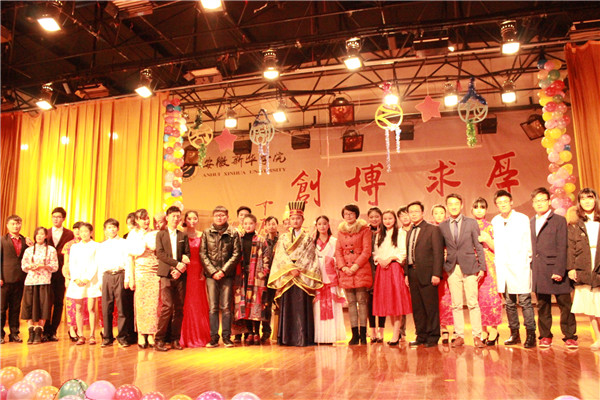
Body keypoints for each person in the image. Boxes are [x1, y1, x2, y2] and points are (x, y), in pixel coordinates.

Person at [268, 201, 322, 346]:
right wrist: (290, 269)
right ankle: (287, 338)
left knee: (302, 306)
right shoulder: (283, 237)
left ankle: (303, 337)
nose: (295, 221)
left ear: (302, 220)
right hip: (288, 276)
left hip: (302, 275)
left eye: (298, 218)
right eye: (293, 218)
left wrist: (298, 269)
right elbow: (280, 255)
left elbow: (309, 256)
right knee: (288, 307)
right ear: (289, 220)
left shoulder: (308, 238)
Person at [530, 187, 577, 349]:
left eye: (543, 200)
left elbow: (563, 246)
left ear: (549, 202)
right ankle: (545, 336)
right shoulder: (531, 222)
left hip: (556, 268)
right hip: (539, 269)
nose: (540, 203)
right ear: (533, 204)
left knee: (565, 304)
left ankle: (570, 336)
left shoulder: (558, 220)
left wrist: (559, 270)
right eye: (536, 201)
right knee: (543, 305)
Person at [439, 193, 487, 348]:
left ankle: (477, 336)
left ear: (461, 206)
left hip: (470, 266)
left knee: (473, 303)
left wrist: (482, 267)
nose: (453, 206)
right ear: (447, 206)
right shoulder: (443, 226)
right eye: (450, 204)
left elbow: (478, 246)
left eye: (456, 204)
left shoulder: (471, 223)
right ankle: (459, 336)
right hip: (452, 268)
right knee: (456, 304)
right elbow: (439, 249)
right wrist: (442, 267)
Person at [492, 190, 536, 348]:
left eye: (505, 201)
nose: (503, 205)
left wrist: (527, 259)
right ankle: (514, 333)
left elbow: (528, 241)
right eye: (499, 203)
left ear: (511, 202)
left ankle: (531, 334)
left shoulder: (522, 219)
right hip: (503, 267)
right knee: (509, 303)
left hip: (520, 264)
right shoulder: (495, 221)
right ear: (496, 205)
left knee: (525, 301)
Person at [405, 201, 444, 348]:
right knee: (417, 308)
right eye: (411, 212)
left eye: (416, 211)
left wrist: (436, 274)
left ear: (422, 213)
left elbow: (438, 253)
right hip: (412, 273)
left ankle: (433, 336)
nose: (414, 214)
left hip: (428, 274)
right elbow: (408, 254)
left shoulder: (433, 229)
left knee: (430, 307)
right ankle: (421, 335)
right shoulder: (409, 231)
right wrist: (406, 274)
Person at [201, 206, 241, 348]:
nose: (219, 217)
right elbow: (203, 254)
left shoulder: (233, 233)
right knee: (213, 307)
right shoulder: (206, 233)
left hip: (227, 275)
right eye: (217, 215)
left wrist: (223, 271)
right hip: (211, 276)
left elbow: (236, 254)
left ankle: (226, 337)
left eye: (222, 215)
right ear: (213, 217)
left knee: (226, 307)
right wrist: (213, 272)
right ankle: (213, 338)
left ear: (227, 217)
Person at [567, 188, 600, 350]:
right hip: (583, 264)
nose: (587, 201)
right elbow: (570, 247)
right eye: (583, 199)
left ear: (595, 200)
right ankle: (598, 337)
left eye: (590, 198)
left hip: (598, 261)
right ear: (579, 202)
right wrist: (571, 268)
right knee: (590, 305)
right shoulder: (575, 223)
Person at [372, 210, 411, 345]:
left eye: (390, 218)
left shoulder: (400, 233)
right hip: (382, 269)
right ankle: (395, 333)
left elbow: (403, 252)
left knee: (396, 301)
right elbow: (375, 252)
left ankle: (396, 334)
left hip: (394, 268)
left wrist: (391, 258)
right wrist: (379, 259)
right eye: (385, 219)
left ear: (395, 220)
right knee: (388, 302)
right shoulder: (379, 235)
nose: (387, 221)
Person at [155, 206, 190, 351]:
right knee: (167, 307)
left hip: (180, 276)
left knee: (179, 308)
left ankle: (175, 339)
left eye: (178, 216)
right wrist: (176, 265)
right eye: (173, 216)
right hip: (166, 274)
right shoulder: (160, 235)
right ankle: (159, 339)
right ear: (167, 217)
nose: (176, 219)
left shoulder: (183, 235)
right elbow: (160, 254)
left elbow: (187, 254)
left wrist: (180, 269)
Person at [335, 204, 372, 345]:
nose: (349, 216)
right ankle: (354, 334)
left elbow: (367, 250)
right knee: (350, 302)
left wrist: (355, 266)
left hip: (360, 269)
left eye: (351, 213)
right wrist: (343, 267)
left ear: (356, 215)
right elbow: (338, 251)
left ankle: (363, 334)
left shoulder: (364, 230)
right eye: (346, 214)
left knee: (362, 301)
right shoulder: (340, 232)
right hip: (346, 272)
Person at [97, 218, 135, 348]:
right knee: (106, 308)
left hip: (120, 275)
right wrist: (100, 280)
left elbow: (128, 261)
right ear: (105, 230)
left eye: (114, 227)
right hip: (107, 276)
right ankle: (107, 337)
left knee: (122, 308)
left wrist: (127, 278)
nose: (112, 229)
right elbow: (100, 264)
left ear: (118, 229)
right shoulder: (102, 245)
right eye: (109, 227)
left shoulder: (124, 243)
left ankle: (122, 336)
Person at [471, 198, 503, 345]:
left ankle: (494, 329)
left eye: (482, 207)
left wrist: (487, 240)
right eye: (476, 207)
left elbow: (498, 247)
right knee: (477, 298)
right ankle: (483, 329)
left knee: (491, 296)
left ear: (486, 209)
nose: (479, 210)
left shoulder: (491, 226)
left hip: (490, 265)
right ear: (472, 210)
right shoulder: (468, 225)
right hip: (473, 264)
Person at [128, 209, 161, 349]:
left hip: (154, 270)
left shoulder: (155, 233)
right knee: (140, 303)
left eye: (147, 218)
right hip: (140, 271)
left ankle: (151, 334)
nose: (146, 221)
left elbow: (159, 251)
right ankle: (141, 334)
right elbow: (130, 257)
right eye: (143, 219)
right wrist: (130, 278)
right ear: (137, 220)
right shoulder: (132, 234)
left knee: (153, 304)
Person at [235, 214, 270, 344]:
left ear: (255, 224)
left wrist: (264, 272)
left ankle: (257, 332)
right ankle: (249, 332)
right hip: (243, 276)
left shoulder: (261, 240)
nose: (248, 226)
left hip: (256, 276)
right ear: (242, 225)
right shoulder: (239, 240)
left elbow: (266, 257)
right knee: (245, 304)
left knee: (257, 303)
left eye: (250, 223)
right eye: (245, 224)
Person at [20, 227, 58, 344]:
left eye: (42, 234)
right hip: (30, 281)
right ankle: (31, 332)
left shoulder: (51, 250)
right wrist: (30, 267)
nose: (39, 236)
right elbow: (23, 266)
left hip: (44, 281)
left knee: (43, 307)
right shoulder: (29, 250)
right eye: (37, 234)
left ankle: (38, 332)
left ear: (46, 236)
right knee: (29, 307)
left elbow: (55, 267)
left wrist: (43, 266)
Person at [66, 222, 101, 345]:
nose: (84, 234)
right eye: (81, 232)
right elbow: (72, 263)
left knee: (91, 308)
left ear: (91, 232)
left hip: (91, 281)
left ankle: (92, 335)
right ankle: (81, 335)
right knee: (78, 308)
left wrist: (87, 278)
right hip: (77, 281)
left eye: (86, 231)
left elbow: (96, 263)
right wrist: (75, 278)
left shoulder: (97, 246)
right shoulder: (75, 247)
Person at [180, 210, 211, 348]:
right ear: (185, 220)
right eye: (189, 218)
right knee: (185, 302)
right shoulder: (181, 235)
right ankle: (184, 337)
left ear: (198, 220)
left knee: (198, 302)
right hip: (185, 271)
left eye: (194, 218)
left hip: (198, 271)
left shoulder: (202, 235)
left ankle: (200, 335)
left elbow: (206, 254)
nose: (192, 221)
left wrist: (204, 270)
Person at [313, 215, 346, 344]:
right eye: (319, 224)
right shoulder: (312, 242)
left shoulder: (334, 241)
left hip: (331, 276)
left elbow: (339, 258)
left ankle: (332, 336)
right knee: (317, 307)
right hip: (317, 277)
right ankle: (319, 336)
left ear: (328, 225)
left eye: (324, 224)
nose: (322, 226)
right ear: (316, 226)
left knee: (333, 305)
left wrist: (330, 261)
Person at [44, 207, 75, 341]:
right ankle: (45, 330)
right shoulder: (45, 232)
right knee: (46, 302)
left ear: (63, 218)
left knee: (58, 301)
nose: (56, 219)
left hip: (61, 272)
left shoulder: (69, 234)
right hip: (46, 271)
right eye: (54, 216)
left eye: (58, 217)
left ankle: (53, 331)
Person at [1, 215, 29, 344]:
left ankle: (14, 333)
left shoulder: (25, 241)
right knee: (1, 309)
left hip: (19, 279)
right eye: (13, 224)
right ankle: (0, 334)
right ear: (7, 225)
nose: (16, 226)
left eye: (18, 224)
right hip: (4, 280)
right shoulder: (2, 240)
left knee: (15, 308)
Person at [431, 204, 453, 344]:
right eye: (436, 213)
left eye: (441, 213)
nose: (439, 215)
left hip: (451, 266)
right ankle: (443, 329)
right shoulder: (430, 229)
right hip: (437, 269)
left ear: (445, 215)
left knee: (453, 299)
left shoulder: (450, 227)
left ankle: (456, 329)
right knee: (440, 300)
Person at [232, 206, 252, 343]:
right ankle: (238, 333)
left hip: (249, 272)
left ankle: (250, 331)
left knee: (249, 301)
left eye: (246, 215)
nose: (243, 217)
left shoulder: (253, 234)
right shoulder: (233, 233)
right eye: (241, 215)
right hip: (236, 272)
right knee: (237, 302)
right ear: (238, 217)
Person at [367, 207, 386, 343]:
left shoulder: (387, 232)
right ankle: (372, 329)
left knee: (382, 299)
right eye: (371, 217)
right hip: (368, 268)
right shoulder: (365, 232)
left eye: (377, 216)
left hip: (383, 267)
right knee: (370, 300)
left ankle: (382, 330)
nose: (374, 219)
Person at [63, 221, 84, 341]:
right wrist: (67, 278)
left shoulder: (89, 243)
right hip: (72, 277)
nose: (77, 231)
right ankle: (71, 329)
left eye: (79, 229)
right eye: (75, 229)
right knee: (71, 304)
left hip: (85, 278)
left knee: (83, 306)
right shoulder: (69, 245)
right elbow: (66, 263)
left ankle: (80, 330)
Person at [262, 216, 279, 343]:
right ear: (266, 226)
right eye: (269, 224)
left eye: (273, 224)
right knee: (266, 304)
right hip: (266, 277)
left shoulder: (283, 240)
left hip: (279, 277)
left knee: (280, 304)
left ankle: (280, 332)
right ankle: (266, 331)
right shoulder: (263, 241)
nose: (271, 226)